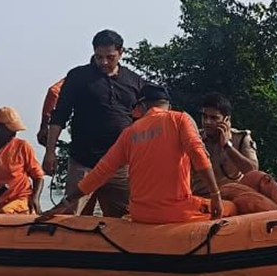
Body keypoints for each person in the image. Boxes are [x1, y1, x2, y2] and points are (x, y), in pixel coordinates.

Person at [39, 84, 230, 224]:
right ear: (168, 106)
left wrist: (64, 202)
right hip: (176, 212)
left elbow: (99, 173)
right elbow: (198, 155)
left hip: (140, 215)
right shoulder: (180, 120)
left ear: (142, 107)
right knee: (236, 205)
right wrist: (216, 194)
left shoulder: (129, 133)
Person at [43, 30, 144, 218]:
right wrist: (50, 152)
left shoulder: (135, 81)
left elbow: (144, 120)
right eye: (99, 57)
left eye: (110, 57)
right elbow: (60, 115)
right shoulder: (78, 77)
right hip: (84, 161)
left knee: (126, 218)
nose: (104, 62)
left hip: (120, 164)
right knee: (73, 217)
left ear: (121, 53)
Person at [194, 92, 277, 213]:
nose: (207, 122)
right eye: (204, 117)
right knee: (248, 200)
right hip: (205, 197)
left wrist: (227, 146)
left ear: (226, 120)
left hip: (234, 193)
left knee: (261, 178)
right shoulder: (194, 140)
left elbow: (252, 170)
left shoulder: (241, 138)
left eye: (214, 118)